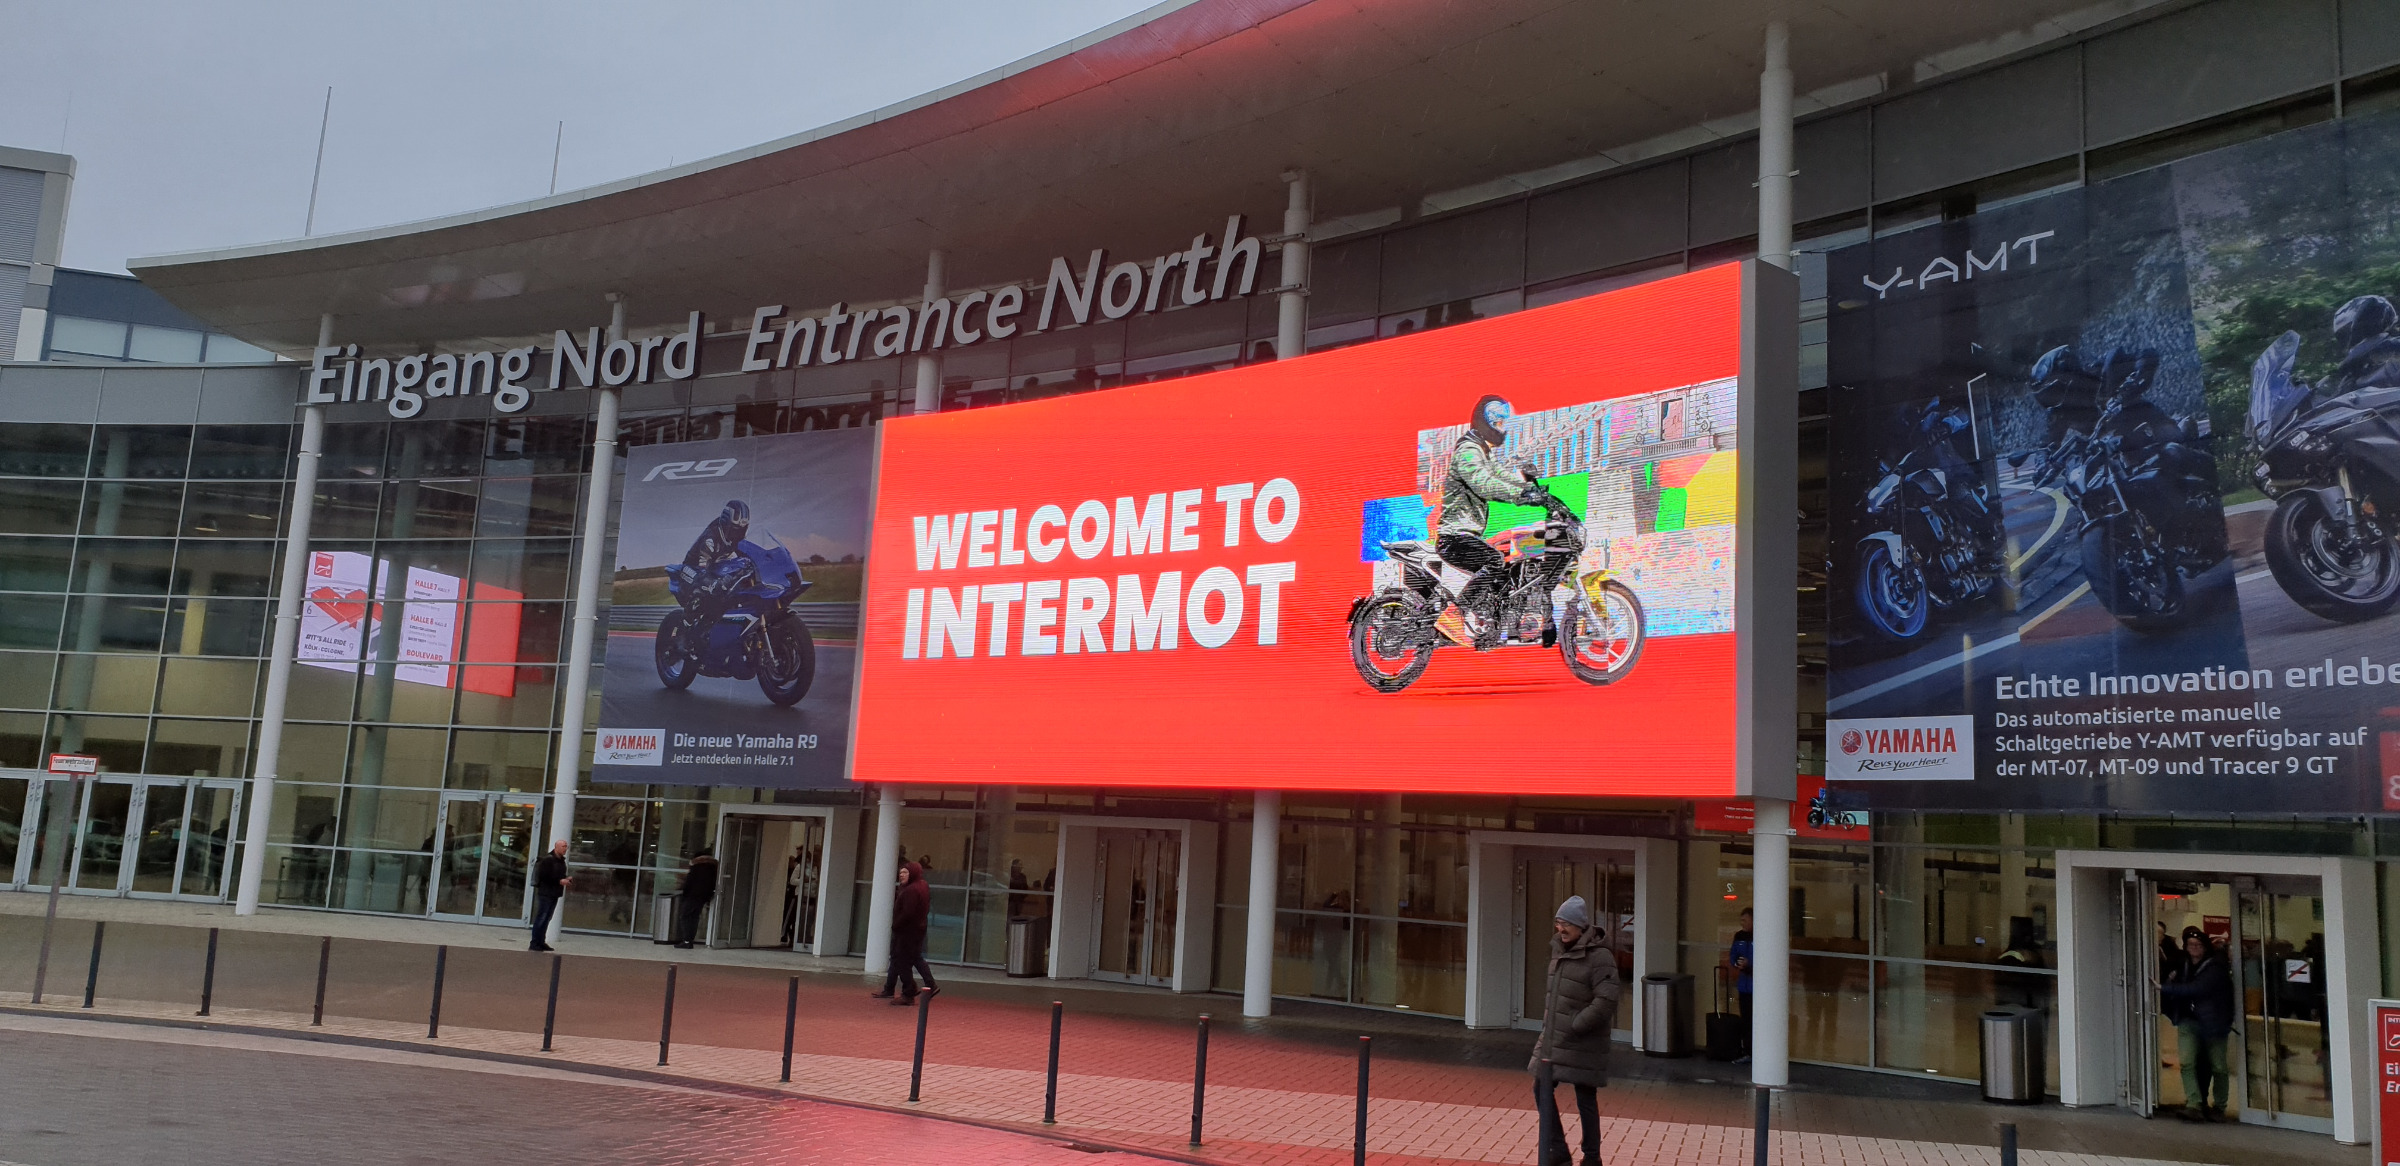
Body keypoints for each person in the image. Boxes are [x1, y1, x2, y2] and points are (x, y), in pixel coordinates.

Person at [1437, 394, 1548, 644]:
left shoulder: (1482, 452)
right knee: (1494, 560)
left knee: (1505, 573)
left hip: (1465, 535)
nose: (1503, 429)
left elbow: (1500, 474)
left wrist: (1530, 485)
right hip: (1454, 537)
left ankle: (1492, 629)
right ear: (1487, 422)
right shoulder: (1468, 451)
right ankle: (1454, 614)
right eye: (1499, 423)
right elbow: (1484, 483)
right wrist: (1520, 495)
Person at [1530, 894, 1620, 1166]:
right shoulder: (1559, 951)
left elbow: (1606, 1000)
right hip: (1554, 1038)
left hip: (1584, 1040)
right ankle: (1558, 1149)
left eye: (1566, 924)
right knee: (1541, 1087)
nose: (1561, 929)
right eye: (1558, 923)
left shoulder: (1600, 957)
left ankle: (1592, 1157)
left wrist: (1577, 1024)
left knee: (1585, 1098)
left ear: (1581, 926)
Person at [2157, 927, 2235, 1121]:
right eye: (2190, 944)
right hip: (2188, 1020)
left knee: (2218, 1066)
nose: (2194, 947)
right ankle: (2194, 1104)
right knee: (2187, 1062)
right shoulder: (2182, 963)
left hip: (2214, 1023)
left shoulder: (2215, 967)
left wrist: (2165, 987)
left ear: (2205, 947)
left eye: (2198, 945)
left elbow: (2198, 988)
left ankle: (2219, 1107)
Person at [671, 500, 753, 627]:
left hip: (714, 566)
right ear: (726, 524)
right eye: (735, 529)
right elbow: (703, 567)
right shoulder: (711, 538)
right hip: (693, 567)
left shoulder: (736, 538)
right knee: (705, 585)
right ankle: (687, 619)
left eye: (741, 530)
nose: (737, 534)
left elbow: (746, 554)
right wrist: (714, 583)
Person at [872, 860, 938, 1004]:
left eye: (905, 872)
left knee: (902, 961)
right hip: (915, 929)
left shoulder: (911, 890)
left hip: (907, 931)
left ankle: (908, 992)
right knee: (907, 958)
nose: (901, 875)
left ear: (912, 873)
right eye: (900, 872)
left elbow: (908, 912)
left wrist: (896, 925)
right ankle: (894, 988)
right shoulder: (921, 886)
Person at [669, 848, 718, 949]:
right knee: (694, 918)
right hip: (703, 897)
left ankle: (687, 940)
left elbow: (689, 882)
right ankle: (689, 940)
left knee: (685, 917)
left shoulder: (696, 867)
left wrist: (684, 894)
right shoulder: (712, 868)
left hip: (692, 895)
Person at [528, 839, 568, 952]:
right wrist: (559, 881)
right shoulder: (548, 860)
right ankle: (534, 942)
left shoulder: (561, 861)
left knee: (547, 918)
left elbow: (559, 874)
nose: (565, 849)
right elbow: (545, 877)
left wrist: (565, 879)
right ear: (556, 847)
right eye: (563, 846)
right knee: (542, 917)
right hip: (546, 893)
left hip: (554, 893)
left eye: (566, 846)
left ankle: (541, 941)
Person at [1727, 907, 1755, 1063]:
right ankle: (1747, 1050)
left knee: (1754, 1020)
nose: (1742, 923)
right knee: (1745, 1019)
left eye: (1745, 920)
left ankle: (1754, 1051)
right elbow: (1733, 954)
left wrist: (1749, 965)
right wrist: (1737, 963)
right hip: (1744, 986)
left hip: (1756, 987)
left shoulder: (1762, 936)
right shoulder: (1739, 936)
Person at [780, 846, 805, 946]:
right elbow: (793, 881)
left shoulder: (799, 866)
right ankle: (787, 935)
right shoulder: (797, 867)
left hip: (794, 896)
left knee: (792, 917)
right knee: (790, 916)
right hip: (793, 896)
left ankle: (790, 935)